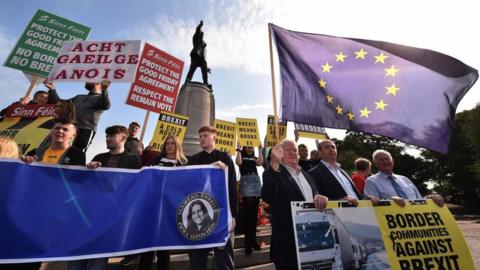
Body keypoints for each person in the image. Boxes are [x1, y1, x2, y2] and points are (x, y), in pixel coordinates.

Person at [68, 125, 141, 270]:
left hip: (110, 219)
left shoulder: (133, 160)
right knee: (77, 260)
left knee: (98, 262)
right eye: (107, 136)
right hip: (89, 215)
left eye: (112, 136)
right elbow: (85, 185)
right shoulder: (99, 157)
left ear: (124, 138)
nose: (107, 139)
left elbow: (134, 188)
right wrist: (89, 170)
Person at [262, 139, 328, 270]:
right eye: (286, 150)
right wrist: (274, 163)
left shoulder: (308, 175)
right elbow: (268, 196)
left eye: (294, 150)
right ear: (278, 154)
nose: (292, 152)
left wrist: (320, 197)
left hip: (314, 241)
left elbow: (315, 195)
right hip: (288, 246)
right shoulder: (274, 173)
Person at [187, 125, 237, 270]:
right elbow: (189, 181)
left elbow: (232, 187)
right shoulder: (194, 159)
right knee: (197, 258)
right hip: (198, 214)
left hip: (221, 213)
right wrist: (210, 167)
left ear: (214, 137)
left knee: (224, 258)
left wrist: (232, 215)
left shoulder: (225, 157)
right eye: (200, 136)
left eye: (205, 135)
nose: (201, 139)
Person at [138, 135, 187, 270]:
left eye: (172, 143)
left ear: (177, 145)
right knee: (147, 247)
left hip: (169, 209)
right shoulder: (157, 160)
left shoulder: (183, 163)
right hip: (153, 207)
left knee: (164, 250)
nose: (169, 145)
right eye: (167, 143)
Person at [44, 79, 111, 153]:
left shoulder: (101, 99)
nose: (86, 80)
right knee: (61, 152)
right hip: (69, 129)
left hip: (85, 131)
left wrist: (104, 89)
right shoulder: (79, 97)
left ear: (99, 82)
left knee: (77, 153)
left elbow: (106, 106)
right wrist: (52, 89)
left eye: (91, 78)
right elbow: (60, 104)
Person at [364, 150, 444, 207]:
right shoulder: (371, 181)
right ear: (375, 163)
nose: (385, 162)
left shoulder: (405, 179)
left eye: (387, 159)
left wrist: (430, 198)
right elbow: (372, 204)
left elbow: (420, 200)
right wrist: (390, 200)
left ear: (392, 161)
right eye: (381, 160)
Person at [309, 140, 361, 205]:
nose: (331, 149)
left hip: (361, 210)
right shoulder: (313, 173)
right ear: (320, 153)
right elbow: (315, 199)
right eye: (327, 147)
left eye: (333, 147)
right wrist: (338, 202)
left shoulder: (343, 171)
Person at [235, 144, 264, 255]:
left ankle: (253, 241)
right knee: (248, 215)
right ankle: (248, 243)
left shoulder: (254, 158)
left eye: (252, 147)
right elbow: (238, 163)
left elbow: (260, 163)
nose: (251, 148)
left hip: (256, 181)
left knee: (254, 214)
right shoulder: (241, 156)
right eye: (248, 147)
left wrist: (260, 149)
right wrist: (238, 149)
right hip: (246, 181)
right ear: (244, 148)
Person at [185, 20, 211, 87]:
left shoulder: (204, 44)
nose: (202, 35)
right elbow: (198, 30)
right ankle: (188, 80)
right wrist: (200, 25)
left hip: (202, 58)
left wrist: (206, 68)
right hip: (196, 55)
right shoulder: (196, 38)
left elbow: (204, 53)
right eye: (201, 34)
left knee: (204, 68)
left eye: (202, 35)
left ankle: (206, 83)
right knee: (192, 68)